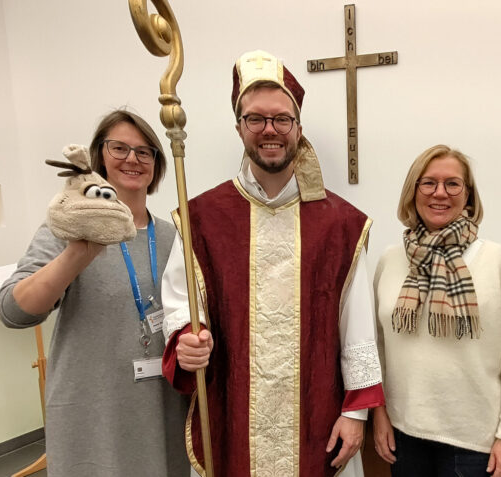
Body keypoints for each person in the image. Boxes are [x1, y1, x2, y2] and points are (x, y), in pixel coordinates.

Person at [160, 50, 385, 477]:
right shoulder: (200, 219)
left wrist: (356, 413)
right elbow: (180, 302)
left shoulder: (342, 224)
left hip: (318, 417)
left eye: (282, 119)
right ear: (239, 127)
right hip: (233, 414)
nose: (270, 130)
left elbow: (357, 326)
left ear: (298, 127)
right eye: (255, 119)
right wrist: (188, 338)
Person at [0, 110, 190, 476]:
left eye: (144, 151)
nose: (132, 159)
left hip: (160, 405)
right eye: (119, 148)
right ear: (98, 157)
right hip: (91, 407)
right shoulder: (66, 230)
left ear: (157, 164)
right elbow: (13, 310)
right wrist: (76, 254)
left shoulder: (174, 237)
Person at [372, 145, 501, 477]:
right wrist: (380, 413)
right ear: (413, 192)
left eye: (452, 184)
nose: (439, 193)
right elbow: (378, 348)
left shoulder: (498, 261)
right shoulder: (391, 260)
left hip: (477, 445)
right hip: (404, 436)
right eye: (428, 183)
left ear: (468, 196)